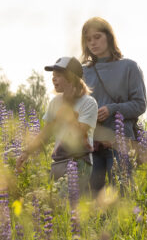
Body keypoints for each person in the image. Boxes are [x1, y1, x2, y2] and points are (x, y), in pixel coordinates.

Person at [80, 17, 147, 193]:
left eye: (97, 37)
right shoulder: (82, 71)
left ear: (109, 37)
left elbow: (140, 104)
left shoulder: (129, 67)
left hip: (120, 142)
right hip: (90, 144)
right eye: (88, 39)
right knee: (93, 198)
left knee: (122, 193)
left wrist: (112, 109)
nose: (92, 43)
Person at [16, 57, 98, 188]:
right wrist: (27, 152)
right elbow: (46, 133)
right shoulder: (55, 102)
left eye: (58, 75)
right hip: (58, 162)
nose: (53, 79)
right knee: (55, 206)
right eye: (53, 75)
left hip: (79, 162)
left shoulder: (89, 103)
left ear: (72, 78)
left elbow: (78, 136)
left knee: (67, 203)